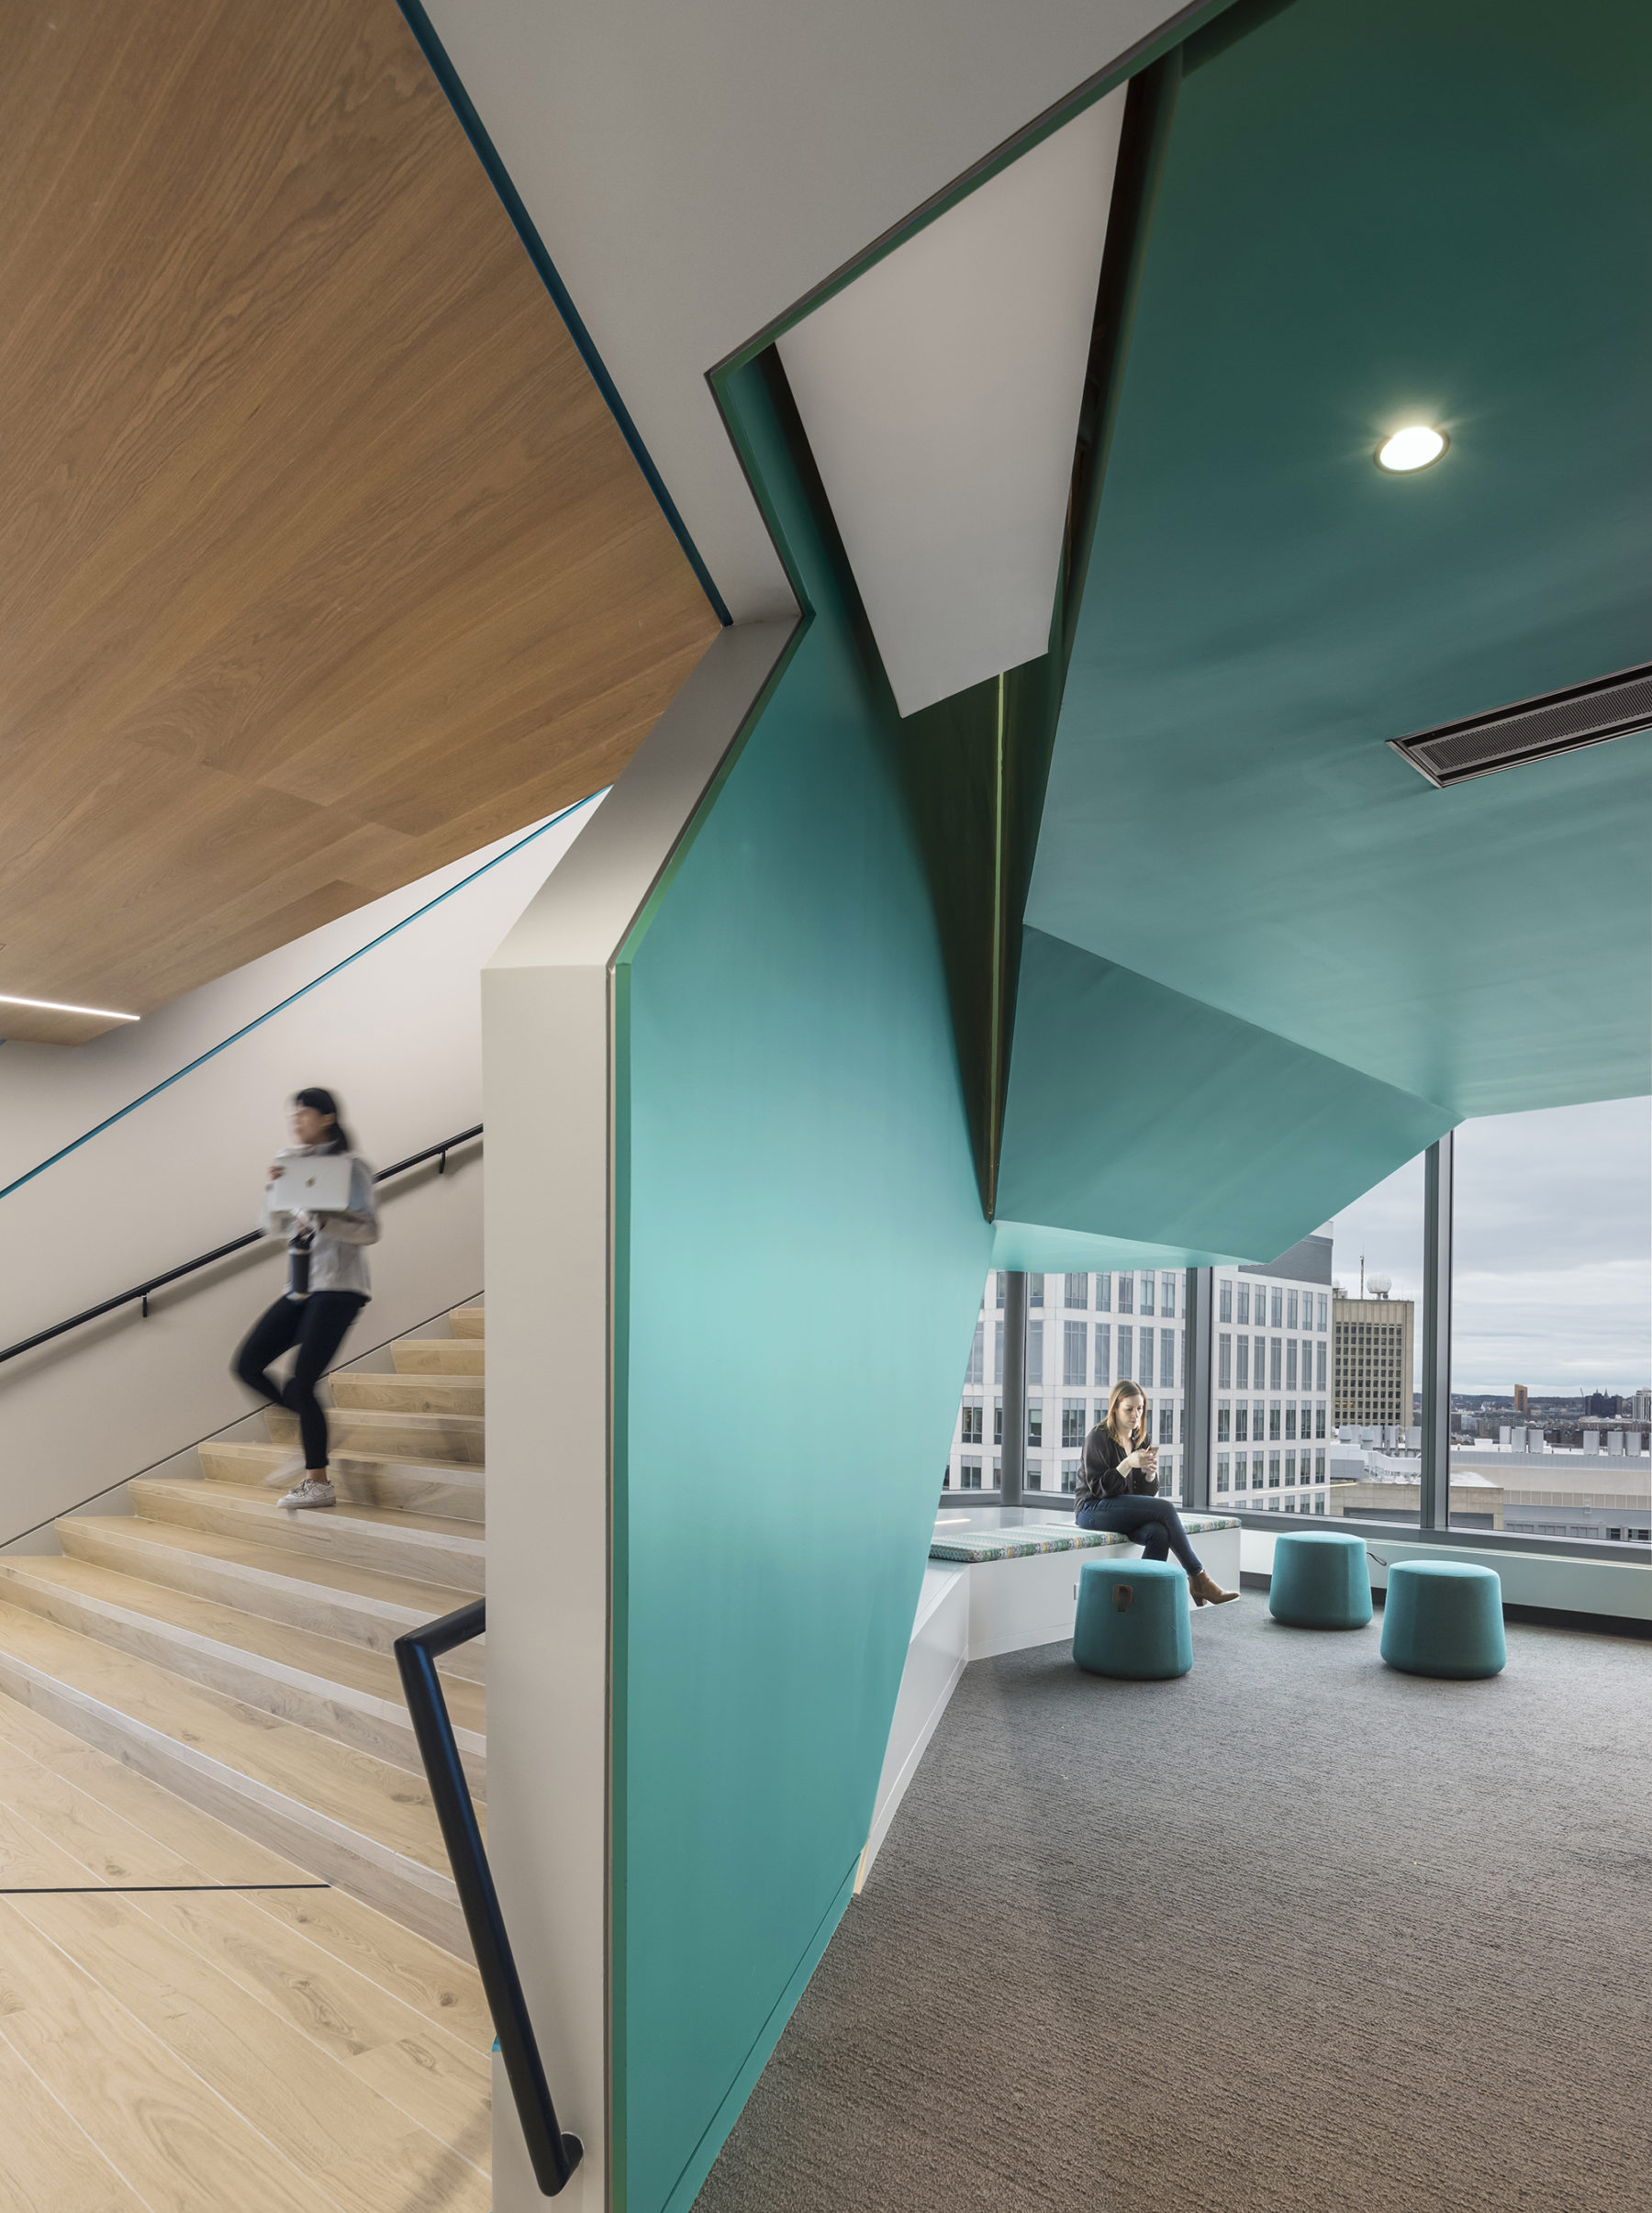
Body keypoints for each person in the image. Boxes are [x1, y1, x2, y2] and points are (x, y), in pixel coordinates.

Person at [232, 1088, 378, 1511]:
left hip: (341, 1288)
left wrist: (326, 1219)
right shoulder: (291, 1163)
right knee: (247, 1365)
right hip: (300, 1286)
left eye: (304, 1115)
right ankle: (309, 1424)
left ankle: (318, 1482)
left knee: (301, 1380)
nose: (296, 1123)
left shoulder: (352, 1168)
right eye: (293, 1116)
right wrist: (274, 1191)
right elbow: (271, 1226)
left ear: (328, 1118)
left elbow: (369, 1231)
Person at [1075, 1380, 1238, 1604]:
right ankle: (1198, 1577)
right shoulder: (1098, 1436)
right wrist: (1127, 1464)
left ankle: (1142, 1598)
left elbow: (1144, 1496)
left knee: (1159, 1532)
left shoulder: (1140, 1439)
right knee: (1166, 1508)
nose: (1136, 1415)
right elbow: (1099, 1489)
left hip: (1120, 1509)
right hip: (1092, 1508)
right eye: (1129, 1409)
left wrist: (1150, 1475)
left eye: (1140, 1409)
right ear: (1115, 1408)